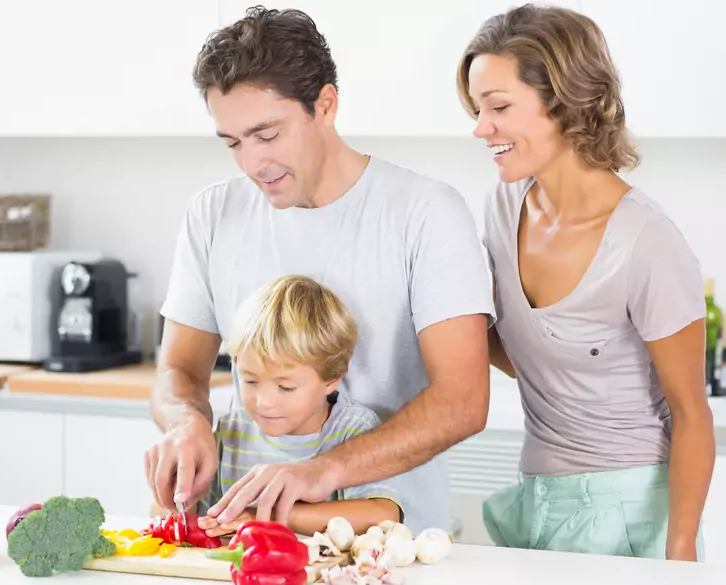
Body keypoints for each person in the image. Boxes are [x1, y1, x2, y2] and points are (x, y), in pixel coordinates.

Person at [145, 6, 496, 536]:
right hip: (247, 551)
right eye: (234, 142)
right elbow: (178, 372)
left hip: (388, 551)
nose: (252, 164)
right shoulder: (214, 215)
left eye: (267, 134)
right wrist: (186, 423)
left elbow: (464, 400)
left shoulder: (425, 213)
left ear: (325, 105)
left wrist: (322, 472)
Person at [457, 4, 715, 561]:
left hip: (631, 506)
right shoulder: (502, 206)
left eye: (499, 107)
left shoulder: (647, 242)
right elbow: (533, 353)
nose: (481, 128)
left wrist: (681, 553)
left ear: (566, 102)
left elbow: (693, 415)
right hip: (536, 495)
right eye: (478, 108)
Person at [197, 275, 402, 537]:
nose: (264, 402)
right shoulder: (231, 431)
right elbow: (202, 521)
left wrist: (267, 515)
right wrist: (174, 495)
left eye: (286, 387)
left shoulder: (354, 429)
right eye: (249, 380)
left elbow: (383, 515)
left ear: (331, 377)